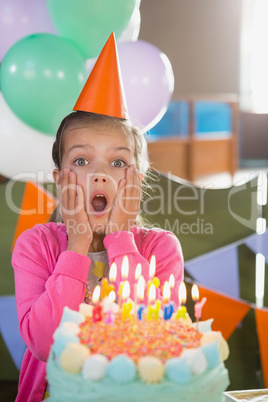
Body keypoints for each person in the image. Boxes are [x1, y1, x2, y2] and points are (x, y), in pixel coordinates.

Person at [12, 33, 183, 402]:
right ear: (60, 179)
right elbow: (45, 345)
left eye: (118, 162)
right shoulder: (35, 246)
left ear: (137, 180)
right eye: (82, 160)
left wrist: (120, 238)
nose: (100, 175)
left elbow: (147, 343)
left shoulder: (162, 250)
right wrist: (76, 244)